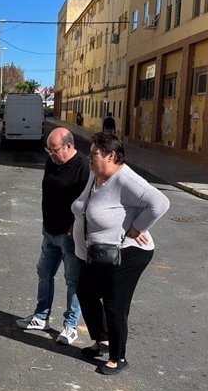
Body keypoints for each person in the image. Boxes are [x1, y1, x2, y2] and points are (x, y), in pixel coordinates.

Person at [72, 132, 169, 375]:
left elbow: (160, 203)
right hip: (97, 253)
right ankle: (102, 341)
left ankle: (118, 357)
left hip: (127, 253)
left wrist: (136, 228)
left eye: (94, 153)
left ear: (111, 155)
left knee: (115, 303)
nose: (89, 158)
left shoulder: (125, 179)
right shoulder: (97, 177)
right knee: (85, 292)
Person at [16, 127, 89, 345]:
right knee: (44, 273)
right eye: (48, 150)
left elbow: (86, 203)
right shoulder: (52, 161)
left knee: (72, 281)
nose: (50, 154)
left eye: (54, 149)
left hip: (69, 235)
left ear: (68, 146)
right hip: (49, 231)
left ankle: (70, 325)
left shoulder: (83, 167)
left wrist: (74, 226)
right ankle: (41, 317)